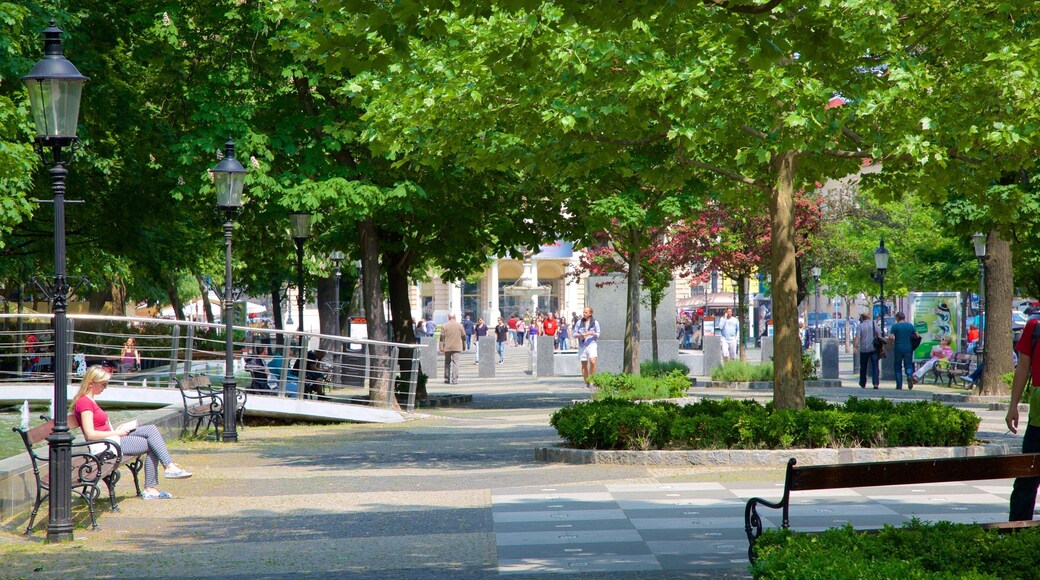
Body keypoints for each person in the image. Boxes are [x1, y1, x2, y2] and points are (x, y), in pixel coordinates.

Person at [73, 366, 192, 500]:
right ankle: (154, 483)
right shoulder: (85, 402)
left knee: (151, 429)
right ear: (91, 383)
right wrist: (116, 433)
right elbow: (90, 434)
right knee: (153, 444)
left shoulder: (89, 400)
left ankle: (167, 468)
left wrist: (118, 431)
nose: (105, 388)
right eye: (103, 384)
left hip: (112, 440)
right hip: (106, 446)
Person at [1007, 315, 1040, 520]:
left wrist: (1013, 406)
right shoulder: (1035, 327)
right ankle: (1017, 530)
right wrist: (1013, 406)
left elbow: (1023, 367)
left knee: (1028, 476)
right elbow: (1023, 367)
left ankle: (1018, 530)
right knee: (1027, 476)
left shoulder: (1035, 326)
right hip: (1038, 419)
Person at [888, 312, 916, 390]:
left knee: (897, 366)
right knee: (908, 365)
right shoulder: (910, 326)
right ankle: (909, 375)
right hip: (908, 348)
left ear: (897, 318)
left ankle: (899, 385)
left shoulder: (895, 326)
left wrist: (891, 341)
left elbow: (891, 337)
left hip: (898, 348)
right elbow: (917, 335)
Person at [574, 306, 600, 389]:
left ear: (590, 313)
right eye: (583, 312)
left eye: (586, 312)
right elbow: (574, 333)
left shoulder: (595, 322)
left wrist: (591, 333)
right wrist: (580, 335)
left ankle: (591, 381)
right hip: (582, 344)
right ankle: (586, 382)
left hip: (591, 344)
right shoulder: (579, 322)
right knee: (584, 363)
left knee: (593, 361)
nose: (584, 314)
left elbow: (598, 333)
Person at [854, 312, 881, 389]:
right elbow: (879, 334)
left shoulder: (860, 326)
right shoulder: (874, 324)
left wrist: (855, 347)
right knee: (875, 366)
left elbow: (857, 337)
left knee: (863, 367)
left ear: (862, 318)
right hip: (873, 349)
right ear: (869, 317)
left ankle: (863, 383)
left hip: (863, 349)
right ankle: (875, 383)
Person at [439, 314, 465, 384]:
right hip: (457, 347)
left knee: (447, 362)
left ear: (448, 317)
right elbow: (463, 337)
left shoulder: (444, 325)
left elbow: (441, 337)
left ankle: (447, 379)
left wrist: (441, 347)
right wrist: (464, 346)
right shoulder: (460, 325)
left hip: (447, 347)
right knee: (456, 363)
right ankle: (454, 379)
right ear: (455, 317)